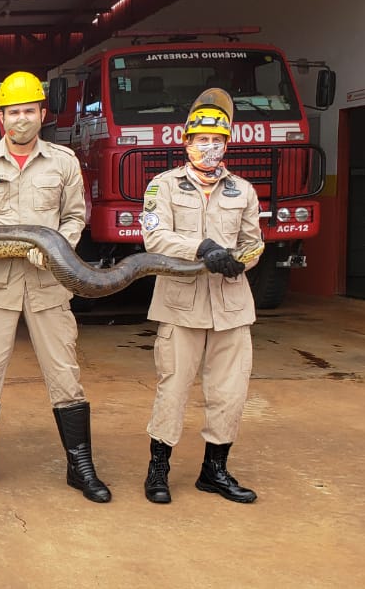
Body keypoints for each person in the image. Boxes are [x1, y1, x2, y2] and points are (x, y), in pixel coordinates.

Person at [0, 71, 111, 503]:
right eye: (12, 112)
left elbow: (75, 217)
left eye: (28, 111)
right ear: (1, 117)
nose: (21, 120)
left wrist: (60, 246)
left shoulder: (63, 162)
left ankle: (80, 467)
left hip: (47, 283)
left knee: (64, 377)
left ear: (43, 113)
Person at [140, 88, 264, 504]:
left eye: (218, 141)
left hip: (231, 307)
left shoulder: (243, 190)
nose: (210, 148)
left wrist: (240, 262)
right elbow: (155, 237)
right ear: (186, 143)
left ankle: (215, 471)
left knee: (229, 393)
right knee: (173, 388)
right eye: (202, 140)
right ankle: (158, 470)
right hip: (180, 305)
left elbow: (254, 243)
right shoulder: (163, 186)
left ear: (227, 144)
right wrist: (202, 248)